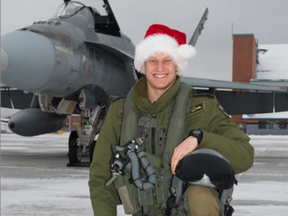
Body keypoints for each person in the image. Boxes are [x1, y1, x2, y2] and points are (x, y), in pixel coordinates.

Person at [89, 24, 254, 216]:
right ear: (143, 65)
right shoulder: (120, 111)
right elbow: (100, 176)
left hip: (188, 210)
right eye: (153, 60)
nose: (160, 68)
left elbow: (245, 156)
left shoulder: (203, 108)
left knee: (200, 195)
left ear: (177, 65)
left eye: (167, 60)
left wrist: (200, 139)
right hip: (143, 211)